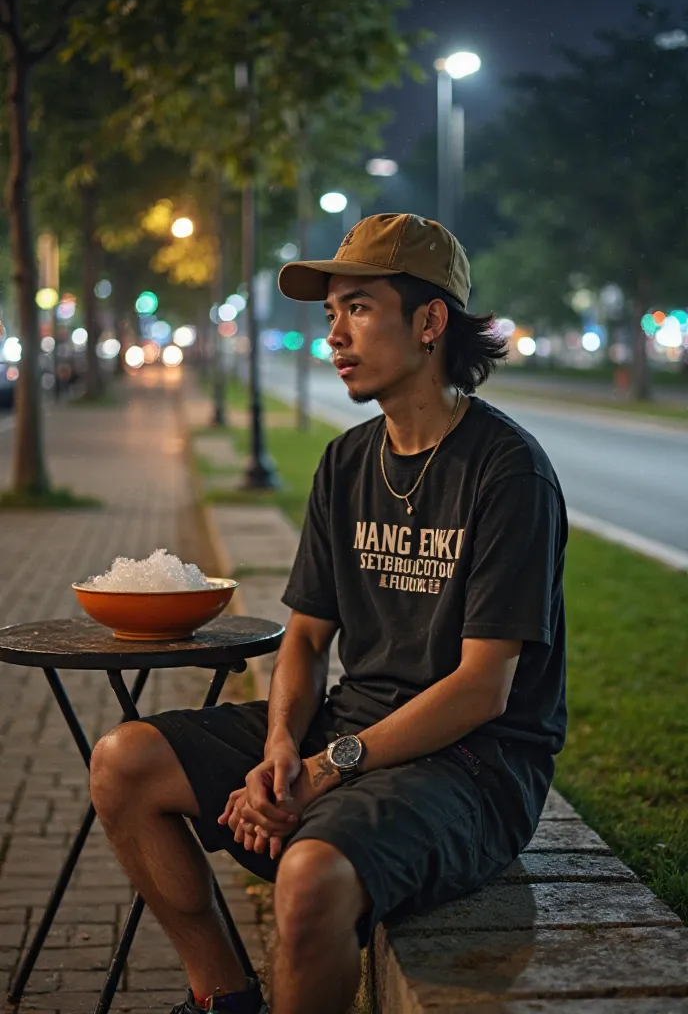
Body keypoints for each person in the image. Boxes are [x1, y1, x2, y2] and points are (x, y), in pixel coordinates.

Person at [90, 213, 568, 1014]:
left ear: (429, 321)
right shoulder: (348, 461)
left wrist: (321, 770)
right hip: (355, 725)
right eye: (330, 315)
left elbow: (483, 689)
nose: (335, 336)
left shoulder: (507, 472)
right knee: (123, 762)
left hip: (474, 767)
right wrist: (281, 744)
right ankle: (225, 1000)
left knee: (309, 878)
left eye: (358, 309)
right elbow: (307, 639)